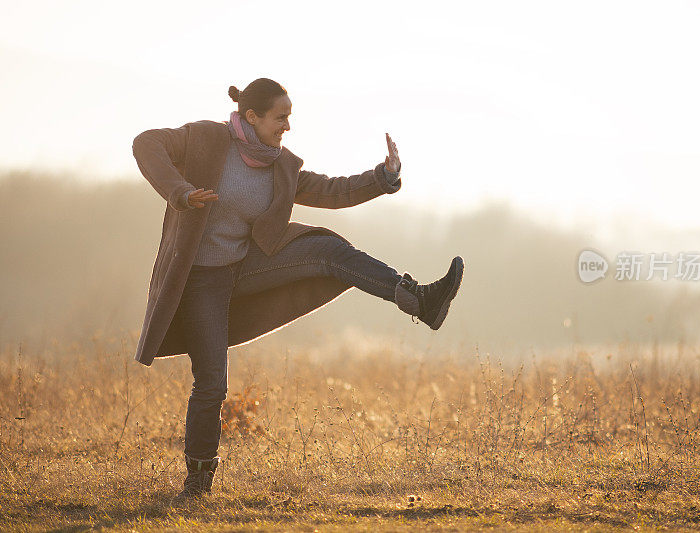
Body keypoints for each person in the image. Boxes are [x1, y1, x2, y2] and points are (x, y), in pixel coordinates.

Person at [131, 78, 464, 503]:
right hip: (201, 280)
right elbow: (146, 143)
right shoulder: (206, 139)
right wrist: (179, 192)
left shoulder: (279, 165)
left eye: (290, 117)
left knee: (330, 250)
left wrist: (383, 177)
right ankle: (197, 482)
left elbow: (333, 190)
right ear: (251, 117)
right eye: (280, 117)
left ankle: (420, 299)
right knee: (212, 384)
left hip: (246, 266)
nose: (287, 125)